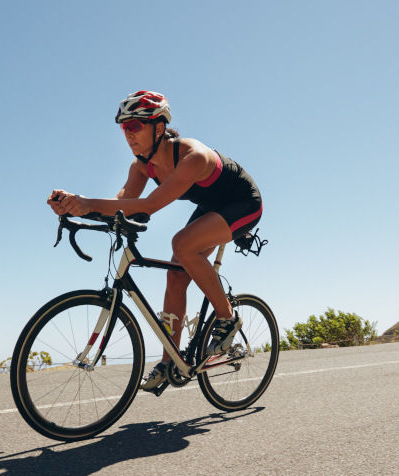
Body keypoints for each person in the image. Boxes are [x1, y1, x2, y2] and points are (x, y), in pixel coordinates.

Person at [48, 90, 263, 391]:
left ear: (158, 127)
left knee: (182, 244)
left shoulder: (192, 156)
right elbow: (126, 200)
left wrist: (88, 202)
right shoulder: (142, 165)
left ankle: (227, 320)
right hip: (212, 207)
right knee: (176, 276)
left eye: (135, 126)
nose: (128, 135)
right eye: (124, 128)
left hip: (243, 203)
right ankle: (169, 362)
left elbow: (149, 205)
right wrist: (76, 207)